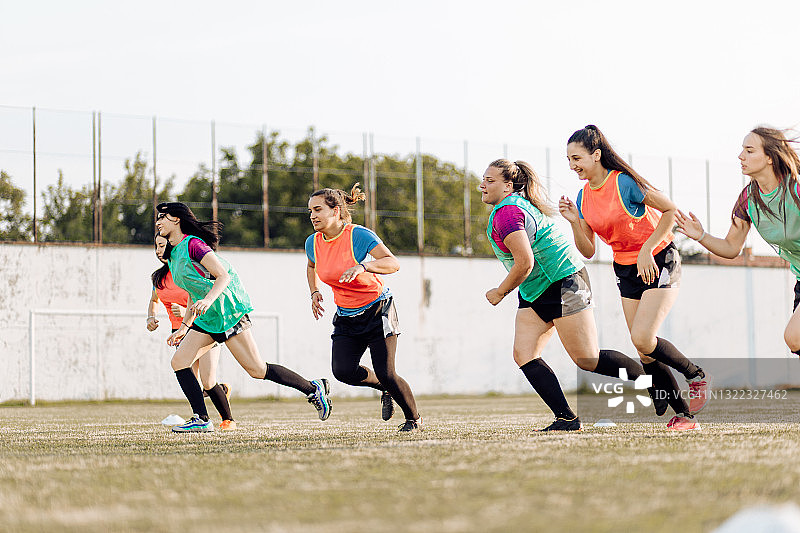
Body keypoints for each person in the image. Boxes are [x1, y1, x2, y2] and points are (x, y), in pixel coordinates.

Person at [481, 158, 655, 432]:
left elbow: (524, 262)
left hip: (564, 282)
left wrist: (500, 291)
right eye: (484, 180)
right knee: (524, 353)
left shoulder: (507, 213)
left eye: (490, 181)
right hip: (535, 290)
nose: (483, 185)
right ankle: (566, 418)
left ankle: (653, 380)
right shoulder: (508, 207)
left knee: (588, 359)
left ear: (508, 186)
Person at [560, 125, 710, 431]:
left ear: (596, 155)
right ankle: (684, 416)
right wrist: (576, 222)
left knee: (643, 338)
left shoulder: (624, 183)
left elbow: (670, 210)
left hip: (659, 259)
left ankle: (696, 375)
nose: (572, 165)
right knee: (643, 350)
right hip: (626, 269)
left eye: (577, 157)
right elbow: (588, 250)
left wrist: (647, 249)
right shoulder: (583, 196)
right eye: (568, 159)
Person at [155, 202, 332, 433]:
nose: (158, 222)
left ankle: (312, 388)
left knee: (257, 370)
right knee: (179, 361)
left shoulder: (194, 245)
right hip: (208, 319)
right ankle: (201, 418)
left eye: (163, 217)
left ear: (176, 219)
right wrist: (183, 327)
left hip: (229, 312)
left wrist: (208, 301)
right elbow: (193, 292)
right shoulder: (175, 253)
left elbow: (223, 276)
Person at [305, 184, 422, 433]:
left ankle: (414, 419)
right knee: (343, 371)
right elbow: (311, 266)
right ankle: (384, 388)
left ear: (336, 211)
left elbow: (393, 263)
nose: (313, 216)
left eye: (318, 209)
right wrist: (314, 292)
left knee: (387, 373)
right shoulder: (313, 242)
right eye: (310, 211)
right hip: (346, 316)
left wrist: (364, 266)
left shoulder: (358, 235)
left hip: (378, 311)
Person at [675, 126, 800, 356]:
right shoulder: (749, 199)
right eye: (742, 150)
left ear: (770, 158)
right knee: (796, 342)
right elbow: (732, 247)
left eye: (749, 150)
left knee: (794, 337)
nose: (741, 156)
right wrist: (700, 235)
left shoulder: (795, 188)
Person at [147, 234, 235, 430]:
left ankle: (228, 419)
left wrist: (186, 311)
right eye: (156, 247)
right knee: (189, 378)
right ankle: (200, 417)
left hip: (205, 326)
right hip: (179, 331)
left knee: (208, 380)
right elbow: (154, 300)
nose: (159, 250)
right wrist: (151, 317)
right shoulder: (158, 278)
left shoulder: (186, 270)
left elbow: (201, 292)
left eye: (162, 245)